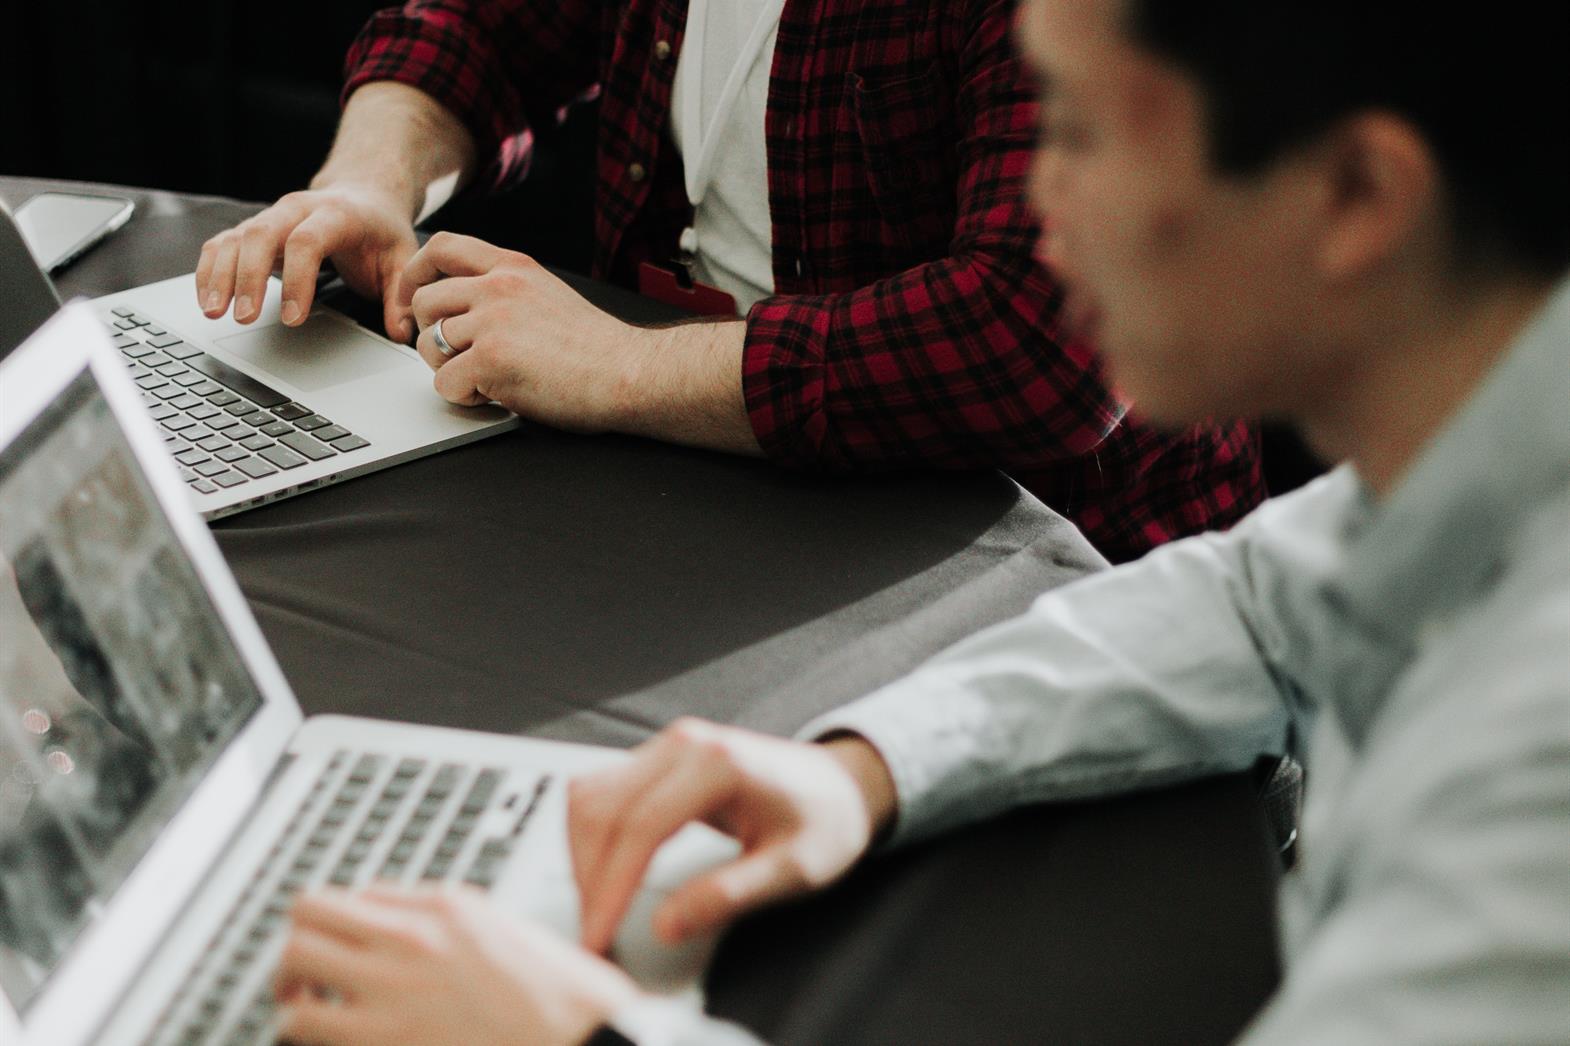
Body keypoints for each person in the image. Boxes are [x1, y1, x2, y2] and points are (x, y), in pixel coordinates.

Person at [271, 0, 1570, 1043]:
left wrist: (584, 1032)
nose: (1034, 209)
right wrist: (859, 766)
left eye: (1075, 129)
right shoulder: (1471, 449)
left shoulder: (1527, 793)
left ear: (1354, 198)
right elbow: (1254, 599)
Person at [192, 0, 1265, 565]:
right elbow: (480, 31)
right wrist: (370, 185)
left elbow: (1045, 345)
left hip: (1045, 567)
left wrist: (617, 364)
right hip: (703, 472)